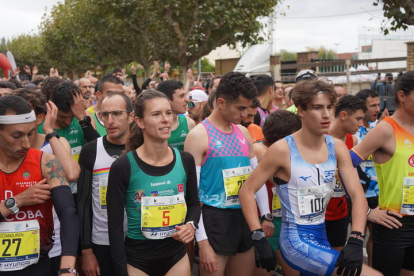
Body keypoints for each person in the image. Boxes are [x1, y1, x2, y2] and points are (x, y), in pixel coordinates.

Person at [239, 79, 380, 275]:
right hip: (295, 240)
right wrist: (258, 236)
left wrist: (356, 237)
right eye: (317, 108)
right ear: (302, 111)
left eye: (330, 107)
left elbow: (357, 195)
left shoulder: (337, 147)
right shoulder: (282, 149)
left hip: (321, 234)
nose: (326, 114)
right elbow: (246, 190)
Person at [184, 72, 270, 276]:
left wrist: (265, 216)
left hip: (245, 216)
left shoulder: (244, 132)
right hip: (215, 218)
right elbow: (192, 196)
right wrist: (202, 242)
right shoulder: (198, 135)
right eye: (240, 108)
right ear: (221, 102)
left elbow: (256, 179)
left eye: (247, 109)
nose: (244, 115)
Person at [107, 90, 200, 276]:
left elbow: (194, 204)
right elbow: (115, 229)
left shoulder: (186, 160)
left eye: (168, 113)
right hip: (137, 260)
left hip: (176, 256)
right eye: (156, 114)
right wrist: (120, 270)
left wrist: (190, 225)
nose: (165, 119)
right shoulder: (123, 166)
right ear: (140, 121)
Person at [0, 95, 78, 275]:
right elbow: (18, 202)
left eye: (30, 133)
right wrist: (18, 201)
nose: (26, 143)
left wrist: (67, 267)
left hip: (38, 264)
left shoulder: (47, 162)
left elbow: (67, 212)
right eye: (17, 135)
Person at [350, 71, 414, 275]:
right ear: (402, 96)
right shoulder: (385, 130)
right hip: (394, 223)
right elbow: (344, 165)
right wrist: (368, 211)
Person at [78, 93, 134, 276]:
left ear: (131, 116)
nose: (110, 121)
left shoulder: (143, 149)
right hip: (102, 242)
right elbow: (84, 203)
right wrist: (86, 251)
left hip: (138, 240)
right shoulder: (91, 150)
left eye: (117, 114)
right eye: (104, 115)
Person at [252, 110, 302, 276]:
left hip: (285, 219)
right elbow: (284, 179)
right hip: (263, 221)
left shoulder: (290, 151)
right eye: (297, 134)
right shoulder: (260, 148)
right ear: (284, 137)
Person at [325, 95, 367, 252]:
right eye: (358, 119)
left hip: (339, 212)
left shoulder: (353, 141)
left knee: (336, 258)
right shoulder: (319, 137)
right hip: (316, 213)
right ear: (343, 115)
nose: (361, 124)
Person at [157, 80, 196, 150]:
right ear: (167, 100)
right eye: (181, 96)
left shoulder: (189, 123)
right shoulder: (155, 126)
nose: (186, 100)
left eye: (185, 95)